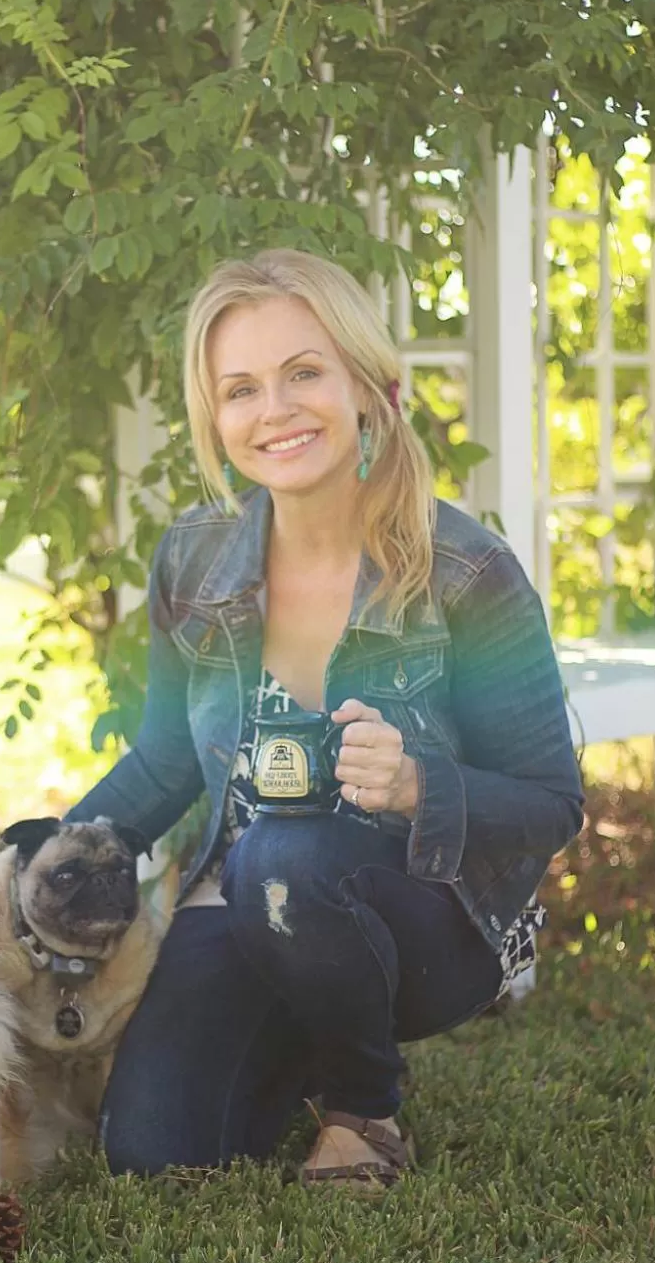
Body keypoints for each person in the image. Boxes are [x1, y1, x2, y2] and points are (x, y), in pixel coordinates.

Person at [66, 248, 583, 1190]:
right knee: (152, 1150)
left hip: (434, 915)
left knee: (285, 859)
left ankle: (364, 1111)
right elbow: (164, 761)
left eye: (304, 373)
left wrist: (421, 783)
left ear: (368, 385)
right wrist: (49, 854)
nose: (276, 411)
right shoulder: (194, 559)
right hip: (253, 898)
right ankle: (310, 1027)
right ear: (215, 417)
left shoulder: (468, 573)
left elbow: (553, 803)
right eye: (241, 389)